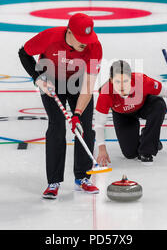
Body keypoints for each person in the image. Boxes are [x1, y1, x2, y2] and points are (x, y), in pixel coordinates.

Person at [18, 13, 102, 199]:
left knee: (85, 127)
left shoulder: (95, 47)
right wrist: (37, 78)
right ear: (69, 32)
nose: (85, 44)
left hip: (78, 83)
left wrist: (77, 113)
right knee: (56, 127)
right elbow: (23, 53)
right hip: (50, 81)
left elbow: (88, 87)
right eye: (81, 39)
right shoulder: (50, 37)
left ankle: (82, 178)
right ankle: (53, 182)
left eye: (88, 39)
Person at [94, 60, 167, 166]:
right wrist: (102, 149)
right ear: (111, 80)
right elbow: (99, 124)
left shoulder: (141, 80)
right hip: (123, 115)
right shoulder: (105, 93)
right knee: (130, 154)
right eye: (117, 82)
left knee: (159, 105)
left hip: (144, 106)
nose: (122, 86)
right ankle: (151, 138)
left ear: (131, 78)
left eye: (125, 81)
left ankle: (147, 150)